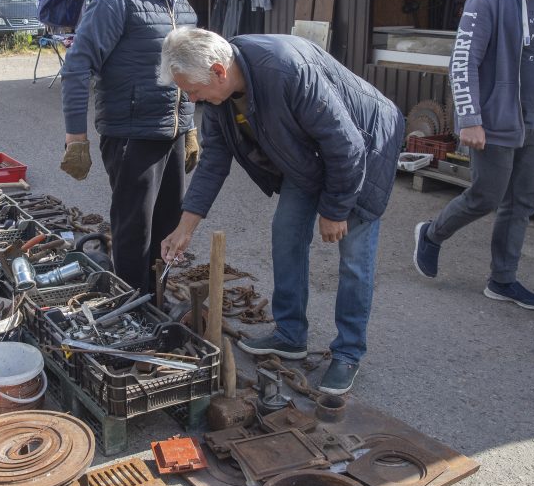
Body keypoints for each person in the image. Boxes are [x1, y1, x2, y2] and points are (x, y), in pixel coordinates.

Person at [159, 28, 404, 394]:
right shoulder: (217, 98)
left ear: (219, 71)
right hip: (310, 156)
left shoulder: (286, 70)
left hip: (366, 147)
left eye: (193, 90)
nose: (191, 99)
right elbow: (214, 164)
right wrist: (185, 228)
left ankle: (349, 352)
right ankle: (291, 335)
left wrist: (335, 210)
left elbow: (346, 146)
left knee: (353, 257)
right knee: (286, 233)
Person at [413, 0, 534, 310]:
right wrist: (469, 118)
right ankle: (432, 234)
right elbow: (463, 61)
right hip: (495, 121)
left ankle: (503, 280)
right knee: (486, 196)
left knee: (523, 201)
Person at [58, 0, 210, 294]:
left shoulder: (182, 5)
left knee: (166, 231)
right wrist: (76, 137)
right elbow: (77, 66)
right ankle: (130, 314)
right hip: (131, 136)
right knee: (134, 234)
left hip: (171, 134)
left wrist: (189, 127)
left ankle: (154, 301)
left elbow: (186, 72)